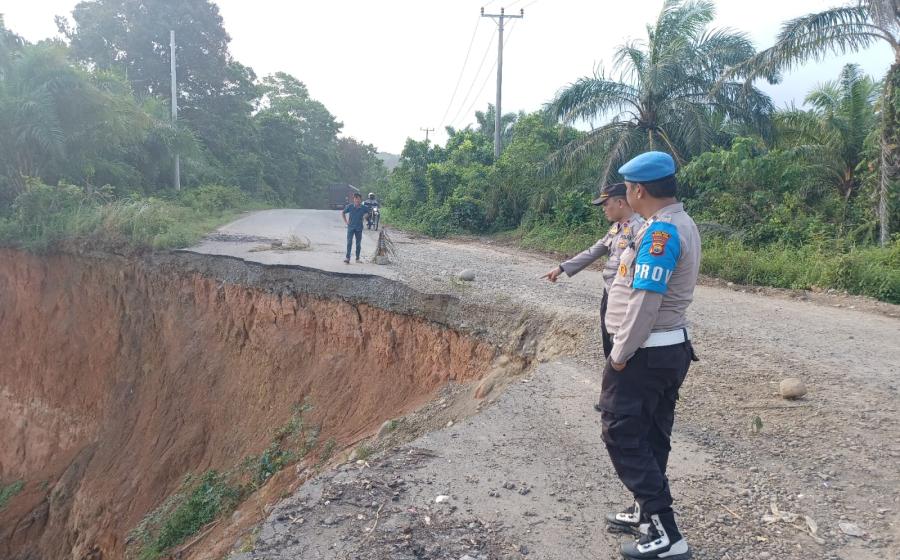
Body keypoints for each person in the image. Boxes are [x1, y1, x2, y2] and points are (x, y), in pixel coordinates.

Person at [599, 151, 700, 560]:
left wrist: (619, 355)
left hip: (645, 352)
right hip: (665, 350)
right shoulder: (677, 223)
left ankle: (666, 533)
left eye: (626, 188)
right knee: (651, 432)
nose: (625, 193)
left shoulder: (662, 234)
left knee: (621, 431)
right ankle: (645, 511)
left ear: (638, 190)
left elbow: (645, 302)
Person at [542, 183, 643, 360]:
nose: (604, 209)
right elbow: (594, 251)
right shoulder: (617, 228)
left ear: (620, 203)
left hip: (625, 297)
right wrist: (561, 268)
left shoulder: (639, 229)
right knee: (608, 340)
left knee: (621, 344)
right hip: (609, 293)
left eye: (606, 204)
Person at [342, 193, 370, 263]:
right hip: (351, 227)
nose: (357, 200)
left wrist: (365, 216)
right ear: (353, 199)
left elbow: (368, 212)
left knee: (358, 244)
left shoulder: (363, 207)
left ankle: (357, 258)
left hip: (359, 228)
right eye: (355, 198)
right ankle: (347, 258)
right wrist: (346, 222)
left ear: (361, 200)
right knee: (349, 242)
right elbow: (343, 213)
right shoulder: (350, 206)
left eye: (358, 199)